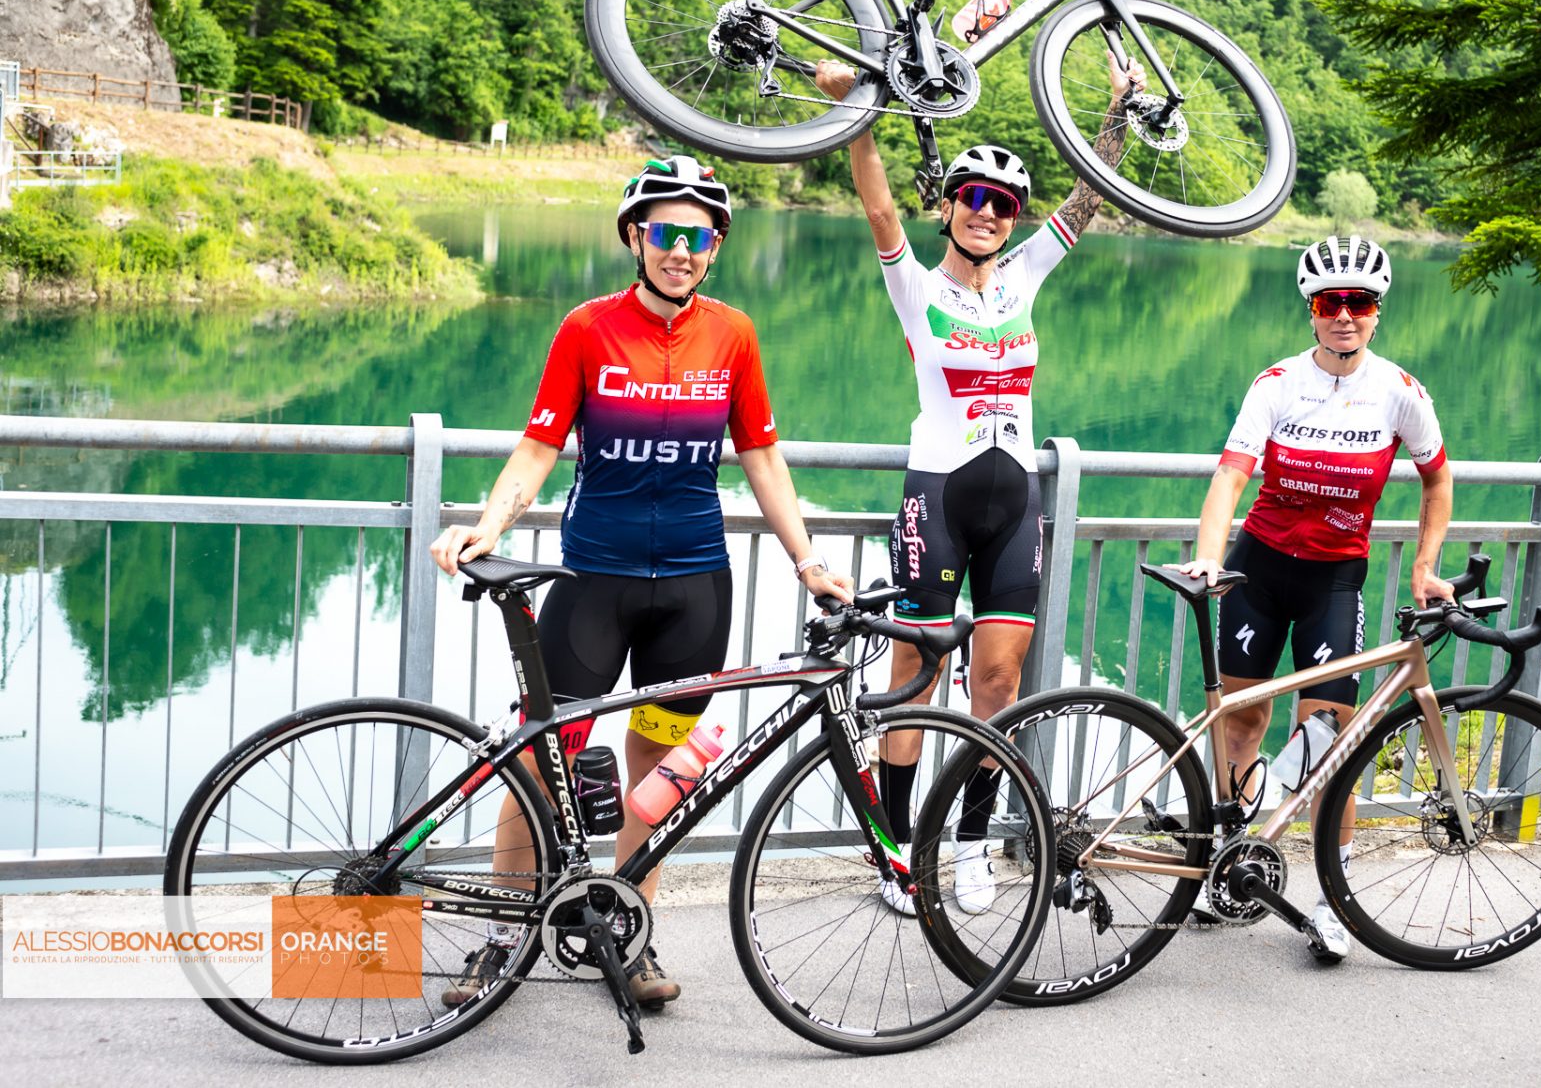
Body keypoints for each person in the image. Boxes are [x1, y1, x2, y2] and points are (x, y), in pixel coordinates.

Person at [429, 155, 852, 1009]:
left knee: (660, 771)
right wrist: (490, 524)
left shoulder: (734, 334)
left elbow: (762, 456)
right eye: (665, 232)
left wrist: (808, 562)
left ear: (716, 247)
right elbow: (541, 444)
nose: (681, 251)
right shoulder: (587, 328)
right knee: (541, 762)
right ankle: (503, 938)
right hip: (594, 581)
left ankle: (628, 935)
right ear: (635, 236)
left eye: (699, 236)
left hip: (694, 590)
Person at [814, 53, 1140, 915]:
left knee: (997, 685)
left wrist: (1117, 111)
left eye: (1003, 203)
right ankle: (896, 852)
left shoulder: (1026, 276)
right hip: (938, 497)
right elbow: (878, 207)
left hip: (1014, 503)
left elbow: (1088, 198)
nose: (988, 212)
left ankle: (969, 844)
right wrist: (859, 114)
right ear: (951, 206)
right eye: (973, 197)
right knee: (915, 678)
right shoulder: (915, 286)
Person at [1178, 235, 1454, 961]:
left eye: (1359, 303)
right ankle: (1233, 868)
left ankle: (1337, 898)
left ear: (1377, 312)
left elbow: (1437, 479)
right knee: (1241, 724)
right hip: (1258, 571)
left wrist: (1426, 567)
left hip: (1333, 580)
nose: (1345, 315)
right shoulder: (1276, 383)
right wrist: (1210, 556)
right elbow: (1231, 475)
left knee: (1331, 744)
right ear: (1312, 311)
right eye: (1332, 302)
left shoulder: (1401, 391)